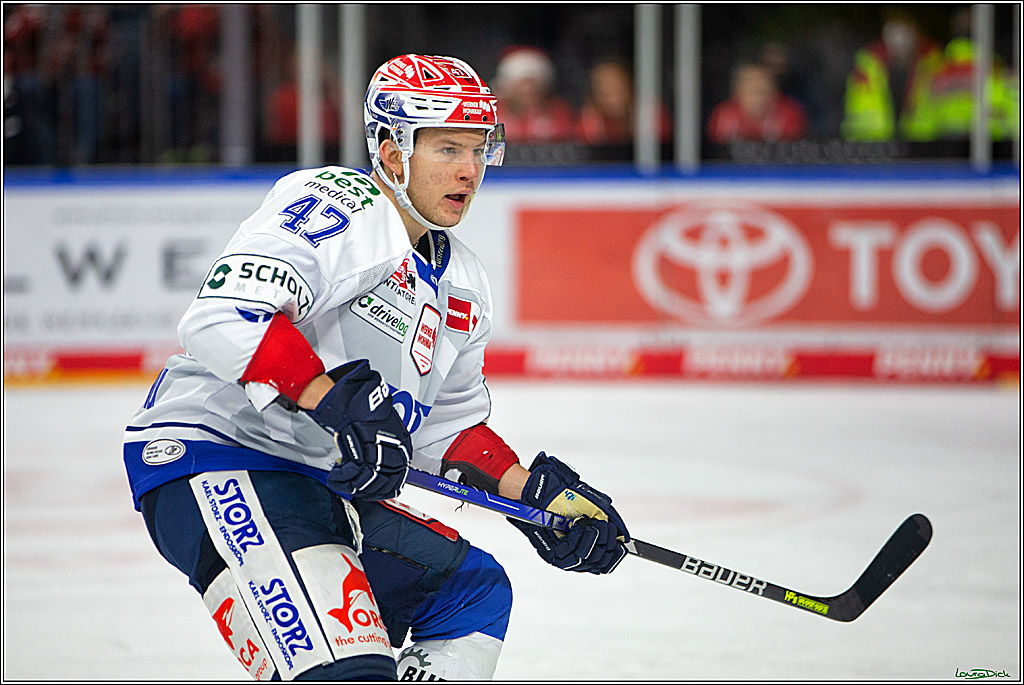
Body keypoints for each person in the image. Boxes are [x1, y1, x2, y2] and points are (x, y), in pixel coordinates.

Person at [122, 53, 630, 681]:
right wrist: (329, 397)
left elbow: (443, 430)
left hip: (312, 480)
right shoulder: (342, 205)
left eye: (479, 150)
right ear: (392, 151)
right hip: (224, 459)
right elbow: (223, 317)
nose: (469, 172)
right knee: (349, 671)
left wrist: (534, 497)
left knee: (469, 592)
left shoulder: (463, 282)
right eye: (447, 150)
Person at [841, 8, 944, 142]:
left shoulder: (934, 65)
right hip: (872, 147)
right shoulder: (867, 66)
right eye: (892, 32)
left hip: (926, 148)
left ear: (916, 32)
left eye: (904, 32)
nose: (898, 40)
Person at [706, 61, 808, 144]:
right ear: (737, 92)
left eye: (764, 88)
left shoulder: (790, 114)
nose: (759, 94)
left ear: (775, 90)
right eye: (752, 88)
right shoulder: (723, 115)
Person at [491, 46, 575, 143]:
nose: (528, 90)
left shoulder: (560, 113)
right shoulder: (493, 114)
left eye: (533, 84)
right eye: (521, 84)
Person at [578, 58, 671, 145]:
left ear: (631, 87)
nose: (612, 98)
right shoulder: (588, 120)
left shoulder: (652, 115)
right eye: (604, 91)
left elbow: (666, 153)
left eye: (618, 89)